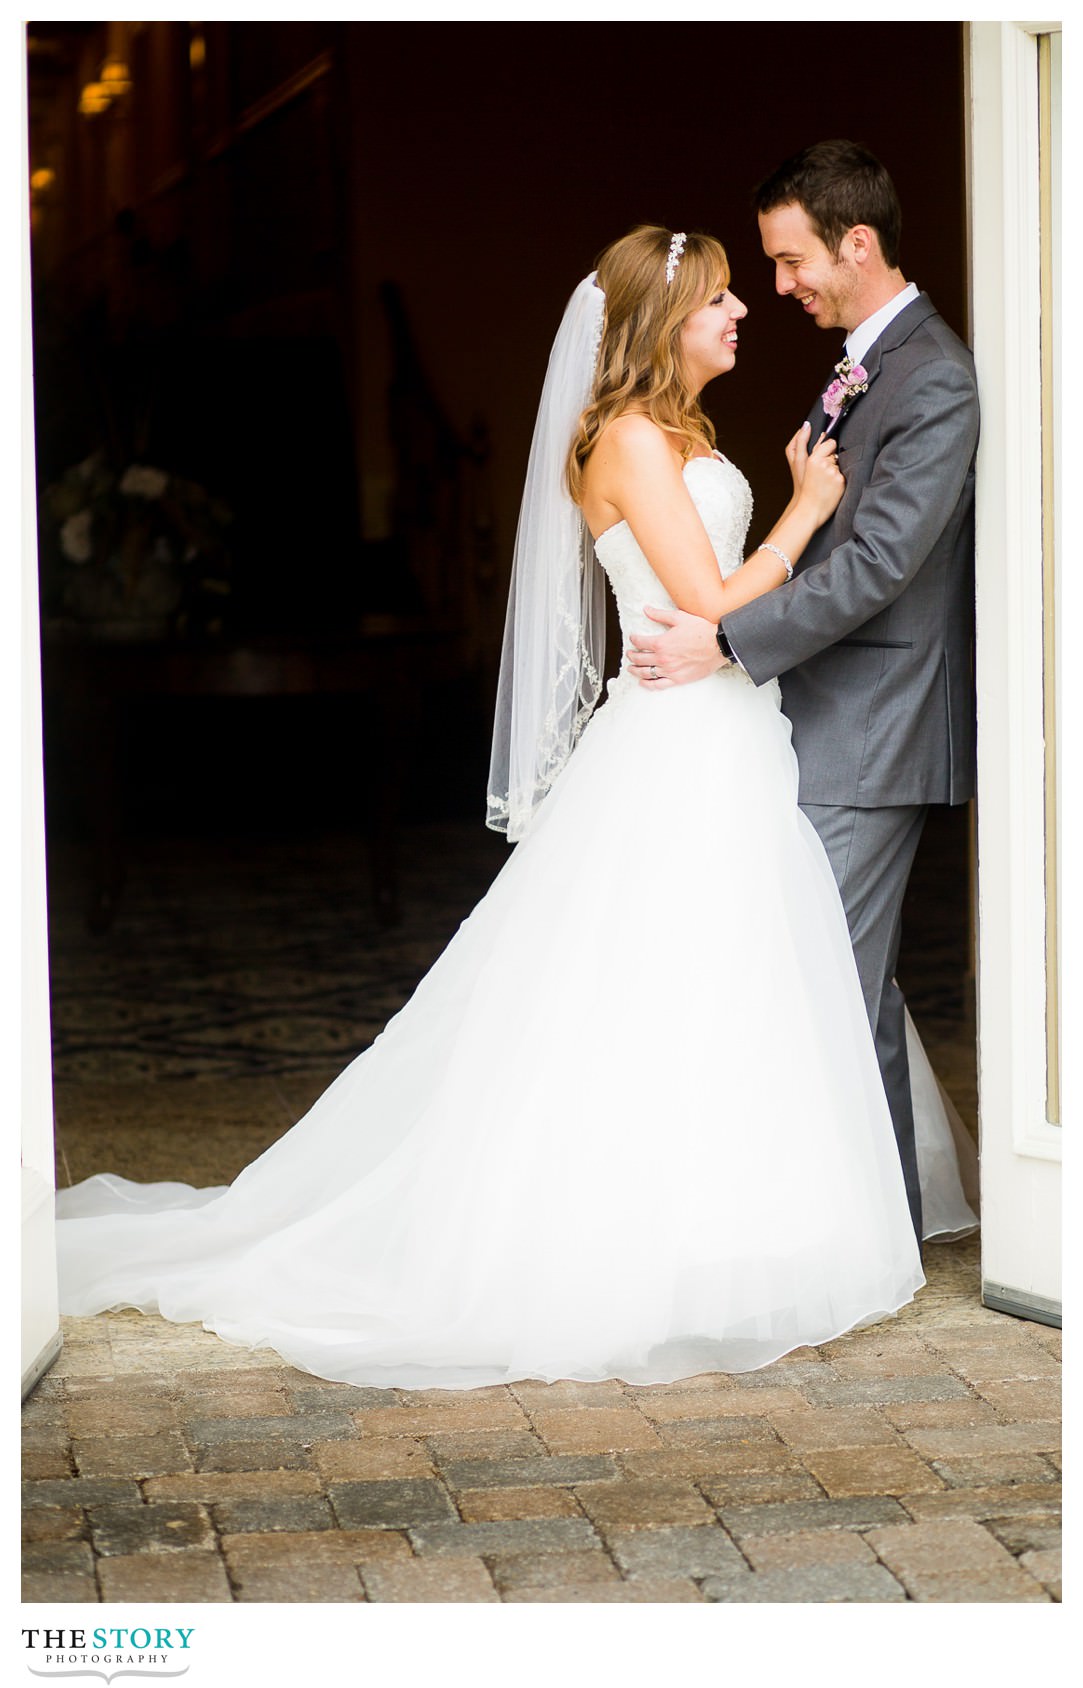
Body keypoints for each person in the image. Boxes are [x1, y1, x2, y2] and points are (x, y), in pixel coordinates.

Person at [57, 223, 971, 1393]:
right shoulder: (631, 439)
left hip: (731, 736)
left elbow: (717, 622)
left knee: (724, 987)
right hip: (679, 747)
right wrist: (803, 507)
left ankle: (731, 1235)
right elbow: (710, 601)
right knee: (660, 992)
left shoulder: (680, 428)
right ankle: (647, 1246)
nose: (742, 313)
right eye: (719, 301)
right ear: (659, 323)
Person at [626, 144, 980, 1244]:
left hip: (873, 732)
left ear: (856, 244)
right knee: (847, 986)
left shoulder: (934, 378)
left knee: (816, 979)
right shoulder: (870, 361)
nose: (779, 290)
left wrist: (726, 639)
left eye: (789, 262)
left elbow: (879, 564)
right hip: (814, 720)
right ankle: (879, 1227)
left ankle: (853, 1235)